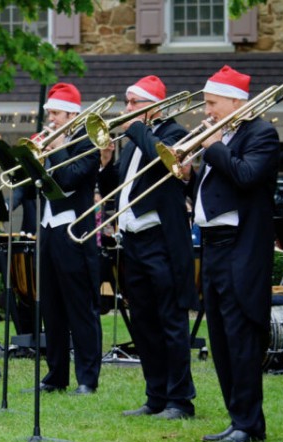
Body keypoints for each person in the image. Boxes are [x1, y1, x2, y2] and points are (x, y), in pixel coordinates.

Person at [99, 75, 198, 419]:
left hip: (162, 241)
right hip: (134, 241)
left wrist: (136, 128)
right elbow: (120, 186)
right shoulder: (133, 140)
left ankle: (180, 400)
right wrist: (106, 161)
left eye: (132, 103)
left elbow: (162, 164)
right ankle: (155, 395)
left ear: (153, 106)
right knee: (142, 323)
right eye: (126, 103)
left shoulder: (174, 135)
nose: (125, 109)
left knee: (170, 321)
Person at [191, 65, 280, 442]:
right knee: (221, 339)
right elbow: (213, 189)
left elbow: (245, 176)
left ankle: (249, 425)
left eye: (212, 103)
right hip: (212, 247)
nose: (206, 110)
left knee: (241, 335)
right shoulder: (223, 136)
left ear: (234, 101)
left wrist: (212, 148)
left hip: (240, 249)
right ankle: (236, 417)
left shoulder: (263, 134)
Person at [37, 83, 102, 395]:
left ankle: (87, 378)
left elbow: (69, 179)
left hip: (75, 230)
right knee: (52, 307)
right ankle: (56, 375)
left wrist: (58, 146)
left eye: (57, 113)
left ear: (74, 114)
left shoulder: (88, 141)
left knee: (80, 308)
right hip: (49, 227)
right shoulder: (53, 139)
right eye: (50, 112)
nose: (51, 118)